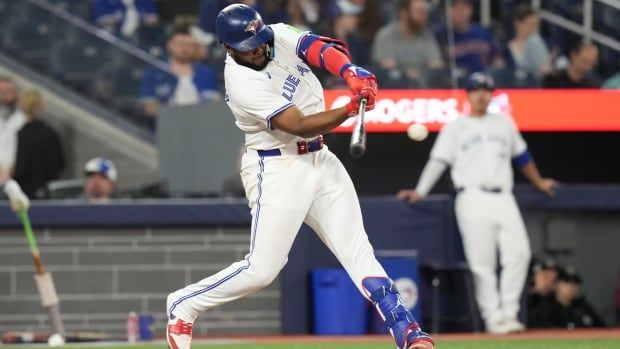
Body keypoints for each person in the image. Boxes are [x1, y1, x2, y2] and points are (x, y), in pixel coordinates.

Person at [166, 4, 434, 349]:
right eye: (250, 47)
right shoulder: (241, 81)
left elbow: (320, 50)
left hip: (320, 158)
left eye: (260, 41)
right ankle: (184, 304)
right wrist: (349, 109)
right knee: (262, 269)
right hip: (277, 167)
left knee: (357, 251)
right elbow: (298, 125)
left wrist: (351, 71)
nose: (260, 48)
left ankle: (406, 329)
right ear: (228, 48)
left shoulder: (273, 33)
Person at [396, 72, 557, 334]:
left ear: (491, 94)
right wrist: (420, 191)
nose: (481, 94)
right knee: (482, 263)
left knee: (520, 254)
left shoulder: (504, 122)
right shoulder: (456, 126)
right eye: (476, 90)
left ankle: (509, 313)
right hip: (471, 196)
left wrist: (539, 182)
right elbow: (439, 161)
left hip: (504, 196)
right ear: (468, 94)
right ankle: (493, 318)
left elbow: (522, 156)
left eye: (485, 89)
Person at [139, 27, 221, 119]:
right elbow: (149, 107)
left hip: (202, 122)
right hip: (167, 124)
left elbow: (216, 103)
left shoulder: (206, 73)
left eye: (189, 45)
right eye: (180, 44)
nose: (185, 48)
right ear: (169, 45)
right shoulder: (155, 72)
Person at [372, 0, 443, 83]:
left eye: (425, 12)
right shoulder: (386, 35)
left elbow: (436, 64)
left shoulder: (427, 35)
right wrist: (407, 73)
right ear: (404, 13)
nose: (424, 16)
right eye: (419, 12)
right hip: (396, 88)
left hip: (425, 87)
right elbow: (386, 66)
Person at [12, 90, 65, 199]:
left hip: (27, 192)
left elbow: (21, 168)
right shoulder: (50, 132)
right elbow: (60, 163)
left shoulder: (23, 133)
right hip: (50, 190)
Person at [435, 0, 503, 75]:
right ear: (447, 11)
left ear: (471, 9)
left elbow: (497, 59)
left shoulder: (483, 32)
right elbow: (437, 63)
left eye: (464, 7)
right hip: (456, 81)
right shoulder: (441, 35)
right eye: (456, 8)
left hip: (482, 80)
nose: (460, 12)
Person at [536, 267, 606, 329]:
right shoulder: (546, 306)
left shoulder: (584, 307)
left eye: (575, 282)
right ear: (556, 284)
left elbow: (603, 330)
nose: (571, 286)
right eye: (567, 282)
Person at [505, 5, 551, 80]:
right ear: (518, 23)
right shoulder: (506, 48)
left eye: (536, 25)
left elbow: (546, 70)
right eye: (530, 24)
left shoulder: (538, 43)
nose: (533, 29)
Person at [0, 76, 26, 184]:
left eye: (9, 91)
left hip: (19, 176)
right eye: (1, 91)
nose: (5, 95)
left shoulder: (24, 119)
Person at [92, 0, 160, 39]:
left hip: (142, 35)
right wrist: (120, 18)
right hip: (114, 37)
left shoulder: (143, 1)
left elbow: (154, 18)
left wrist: (141, 18)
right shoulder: (104, 1)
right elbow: (100, 20)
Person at [527, 258, 559, 327]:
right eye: (545, 276)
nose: (548, 281)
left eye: (553, 278)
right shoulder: (525, 300)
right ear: (534, 277)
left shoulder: (557, 301)